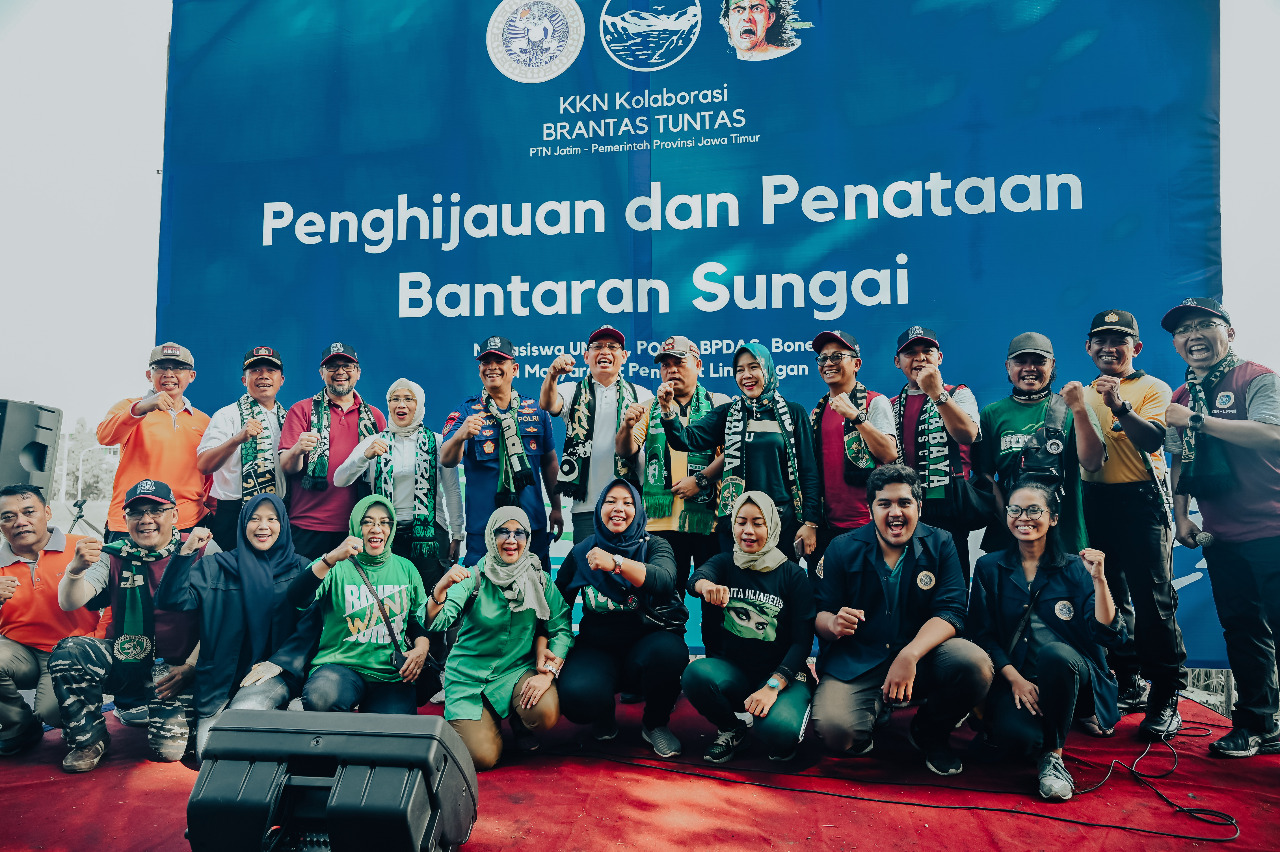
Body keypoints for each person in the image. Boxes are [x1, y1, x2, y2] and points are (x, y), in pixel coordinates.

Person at [811, 465, 992, 775]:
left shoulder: (942, 543)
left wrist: (910, 654)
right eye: (884, 504)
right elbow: (818, 613)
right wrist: (833, 624)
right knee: (835, 732)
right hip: (860, 658)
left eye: (904, 503)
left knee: (974, 663)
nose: (895, 512)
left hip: (921, 657)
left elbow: (951, 612)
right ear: (870, 510)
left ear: (919, 507)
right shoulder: (841, 548)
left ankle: (929, 732)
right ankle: (872, 713)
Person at [1162, 297, 1280, 758]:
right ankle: (1256, 725)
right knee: (1242, 630)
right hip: (1223, 536)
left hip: (1274, 530)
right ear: (1175, 344)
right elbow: (1179, 460)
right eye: (1183, 329)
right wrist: (1182, 514)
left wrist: (1198, 420)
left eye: (1204, 325)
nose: (1193, 335)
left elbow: (1272, 433)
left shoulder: (1257, 378)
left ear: (1228, 332)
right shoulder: (1181, 395)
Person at [968, 482, 1124, 802]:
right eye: (1015, 510)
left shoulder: (1075, 567)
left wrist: (1099, 579)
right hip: (1022, 679)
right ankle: (1044, 730)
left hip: (1073, 676)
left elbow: (1109, 634)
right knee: (1016, 742)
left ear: (1052, 518)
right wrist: (1015, 679)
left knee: (1055, 655)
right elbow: (982, 634)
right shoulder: (989, 567)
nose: (1023, 517)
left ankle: (1054, 756)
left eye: (1034, 510)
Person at [1079, 310, 1187, 736]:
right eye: (1100, 340)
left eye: (1119, 340)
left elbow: (1154, 439)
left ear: (1136, 349)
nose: (1109, 347)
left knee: (1154, 603)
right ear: (1088, 348)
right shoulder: (1080, 394)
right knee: (1109, 598)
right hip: (1094, 502)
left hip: (1142, 500)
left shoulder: (1152, 387)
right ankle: (1128, 681)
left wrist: (1118, 405)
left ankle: (1165, 695)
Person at [51, 479, 205, 772]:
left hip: (178, 667)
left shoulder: (199, 549)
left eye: (155, 510)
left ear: (174, 515)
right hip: (125, 656)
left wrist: (192, 666)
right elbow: (71, 601)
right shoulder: (114, 554)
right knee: (70, 651)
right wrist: (75, 570)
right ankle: (88, 740)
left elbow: (222, 620)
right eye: (136, 513)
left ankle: (163, 710)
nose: (146, 520)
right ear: (125, 520)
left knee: (169, 751)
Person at [154, 494, 312, 756]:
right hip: (220, 680)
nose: (263, 526)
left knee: (238, 728)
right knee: (208, 753)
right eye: (255, 519)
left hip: (270, 674)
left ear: (283, 524)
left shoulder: (301, 569)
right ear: (242, 524)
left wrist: (280, 662)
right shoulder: (215, 567)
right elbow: (170, 600)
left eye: (272, 519)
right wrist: (187, 551)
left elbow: (310, 626)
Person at [426, 508, 574, 770]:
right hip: (469, 677)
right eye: (503, 531)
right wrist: (440, 590)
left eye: (519, 533)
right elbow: (438, 621)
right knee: (482, 758)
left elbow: (561, 626)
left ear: (528, 538)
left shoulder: (538, 578)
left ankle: (517, 719)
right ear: (489, 535)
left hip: (515, 672)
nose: (511, 539)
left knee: (545, 712)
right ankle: (480, 719)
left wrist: (548, 673)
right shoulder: (474, 577)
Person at [555, 479, 688, 758]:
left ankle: (655, 724)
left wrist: (616, 564)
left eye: (628, 503)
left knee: (670, 651)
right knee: (576, 696)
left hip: (646, 646)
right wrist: (554, 649)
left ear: (639, 510)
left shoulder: (655, 546)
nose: (619, 508)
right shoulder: (582, 552)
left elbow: (664, 580)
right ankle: (602, 712)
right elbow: (558, 606)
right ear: (599, 508)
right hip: (598, 649)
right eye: (610, 501)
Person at [684, 491, 815, 763]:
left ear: (772, 525)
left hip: (783, 676)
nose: (748, 530)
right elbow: (698, 577)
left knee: (780, 734)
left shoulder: (793, 574)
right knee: (696, 674)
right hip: (738, 671)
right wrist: (706, 586)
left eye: (758, 523)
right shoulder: (725, 562)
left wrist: (773, 685)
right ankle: (733, 730)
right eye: (741, 522)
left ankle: (791, 714)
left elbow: (802, 642)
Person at [662, 343, 820, 562]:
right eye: (739, 370)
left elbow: (808, 471)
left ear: (767, 369)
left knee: (779, 593)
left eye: (753, 367)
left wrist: (810, 523)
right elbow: (687, 439)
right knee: (738, 593)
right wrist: (668, 411)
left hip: (782, 523)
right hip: (737, 525)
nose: (746, 375)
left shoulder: (794, 413)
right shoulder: (729, 413)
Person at [616, 336, 730, 621]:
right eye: (666, 365)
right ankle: (666, 662)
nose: (671, 370)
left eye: (679, 362)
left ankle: (716, 662)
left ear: (699, 365)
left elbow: (733, 452)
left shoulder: (720, 404)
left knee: (714, 602)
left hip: (708, 521)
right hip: (660, 523)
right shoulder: (647, 406)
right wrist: (627, 427)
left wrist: (701, 479)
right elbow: (626, 450)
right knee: (663, 602)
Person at [287, 495, 431, 714]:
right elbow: (296, 597)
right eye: (368, 522)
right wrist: (331, 558)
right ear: (356, 526)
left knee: (393, 734)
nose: (377, 528)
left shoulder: (406, 568)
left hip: (389, 674)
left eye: (384, 522)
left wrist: (421, 647)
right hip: (340, 666)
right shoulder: (335, 564)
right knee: (322, 697)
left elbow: (416, 620)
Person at [975, 333, 1105, 554]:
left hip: (1065, 537)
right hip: (1012, 538)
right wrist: (1010, 518)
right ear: (1008, 366)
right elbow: (985, 476)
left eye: (1038, 361)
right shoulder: (992, 414)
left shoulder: (1073, 408)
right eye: (1021, 361)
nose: (1030, 368)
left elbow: (1093, 463)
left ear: (1052, 365)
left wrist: (1080, 409)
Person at [442, 335, 562, 571]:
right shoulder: (466, 411)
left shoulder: (537, 410)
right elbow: (447, 459)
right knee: (482, 599)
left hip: (531, 525)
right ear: (479, 370)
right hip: (484, 527)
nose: (492, 367)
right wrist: (460, 436)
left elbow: (549, 462)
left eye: (500, 361)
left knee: (537, 595)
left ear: (514, 368)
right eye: (486, 362)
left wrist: (556, 507)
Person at [0, 485, 104, 756]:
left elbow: (118, 600)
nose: (20, 522)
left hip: (70, 651)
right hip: (19, 651)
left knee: (54, 714)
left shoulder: (82, 547)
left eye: (28, 512)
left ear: (47, 512)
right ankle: (20, 726)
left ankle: (87, 728)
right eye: (7, 516)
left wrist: (98, 643)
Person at [335, 378, 464, 587]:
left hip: (430, 536)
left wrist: (457, 534)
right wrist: (364, 457)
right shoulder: (374, 442)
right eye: (395, 399)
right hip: (385, 534)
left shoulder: (438, 442)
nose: (401, 405)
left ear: (419, 405)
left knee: (430, 599)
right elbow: (339, 480)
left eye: (408, 399)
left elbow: (452, 491)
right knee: (390, 596)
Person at [541, 325, 653, 545]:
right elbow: (547, 403)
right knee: (588, 573)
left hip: (629, 507)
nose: (605, 351)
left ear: (624, 356)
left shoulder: (642, 395)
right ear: (586, 356)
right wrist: (552, 375)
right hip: (587, 506)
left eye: (612, 346)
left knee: (628, 573)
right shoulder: (572, 391)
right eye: (597, 347)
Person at [279, 343, 387, 559]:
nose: (340, 372)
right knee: (307, 591)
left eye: (347, 366)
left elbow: (384, 474)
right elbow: (287, 468)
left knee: (348, 593)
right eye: (332, 367)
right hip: (307, 525)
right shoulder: (301, 411)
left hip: (358, 527)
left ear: (358, 372)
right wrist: (298, 449)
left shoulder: (375, 417)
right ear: (322, 374)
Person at [890, 326, 983, 575]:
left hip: (950, 508)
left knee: (953, 582)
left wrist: (937, 393)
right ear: (898, 362)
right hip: (908, 509)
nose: (920, 357)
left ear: (939, 358)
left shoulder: (958, 393)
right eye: (910, 352)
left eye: (927, 351)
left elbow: (968, 435)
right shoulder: (891, 405)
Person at [97, 342, 211, 539]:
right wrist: (141, 408)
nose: (169, 373)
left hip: (188, 522)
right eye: (160, 367)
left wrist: (211, 511)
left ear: (191, 376)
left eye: (178, 367)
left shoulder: (203, 421)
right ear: (149, 375)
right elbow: (105, 437)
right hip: (133, 521)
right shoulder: (129, 407)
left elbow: (209, 473)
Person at [809, 330, 898, 566]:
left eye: (837, 356)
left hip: (868, 525)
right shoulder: (817, 413)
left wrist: (855, 416)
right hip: (826, 527)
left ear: (856, 363)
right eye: (822, 358)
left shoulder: (874, 402)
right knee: (828, 600)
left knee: (868, 599)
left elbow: (889, 453)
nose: (828, 363)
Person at [196, 346, 289, 552]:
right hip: (234, 512)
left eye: (270, 371)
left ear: (281, 380)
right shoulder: (227, 415)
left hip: (278, 511)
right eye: (255, 371)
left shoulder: (289, 418)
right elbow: (204, 465)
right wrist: (237, 439)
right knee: (231, 577)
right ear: (244, 380)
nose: (263, 376)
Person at [721, 0, 801, 60]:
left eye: (757, 9)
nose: (747, 17)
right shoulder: (722, 63)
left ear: (770, 18)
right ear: (726, 21)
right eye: (738, 10)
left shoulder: (788, 55)